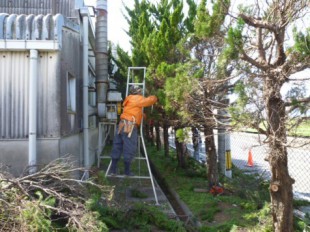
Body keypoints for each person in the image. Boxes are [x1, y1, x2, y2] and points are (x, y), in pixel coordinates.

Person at [109, 85, 157, 176]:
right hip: (129, 126)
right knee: (129, 147)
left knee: (117, 146)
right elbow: (149, 101)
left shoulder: (129, 99)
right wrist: (155, 97)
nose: (141, 92)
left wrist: (142, 116)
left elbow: (133, 111)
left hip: (122, 125)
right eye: (140, 90)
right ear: (137, 92)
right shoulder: (137, 98)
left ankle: (113, 170)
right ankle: (127, 171)